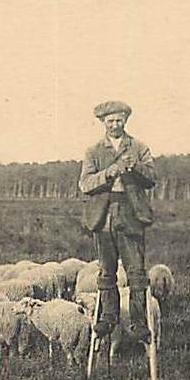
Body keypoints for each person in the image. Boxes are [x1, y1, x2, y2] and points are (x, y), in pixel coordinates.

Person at [79, 100, 157, 342]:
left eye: (119, 120)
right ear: (103, 122)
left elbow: (153, 178)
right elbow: (85, 184)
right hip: (103, 217)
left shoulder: (139, 148)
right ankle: (109, 317)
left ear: (125, 121)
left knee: (136, 271)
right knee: (106, 270)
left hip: (131, 213)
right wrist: (109, 172)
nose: (115, 124)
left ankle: (138, 321)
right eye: (110, 120)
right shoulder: (93, 151)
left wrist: (136, 168)